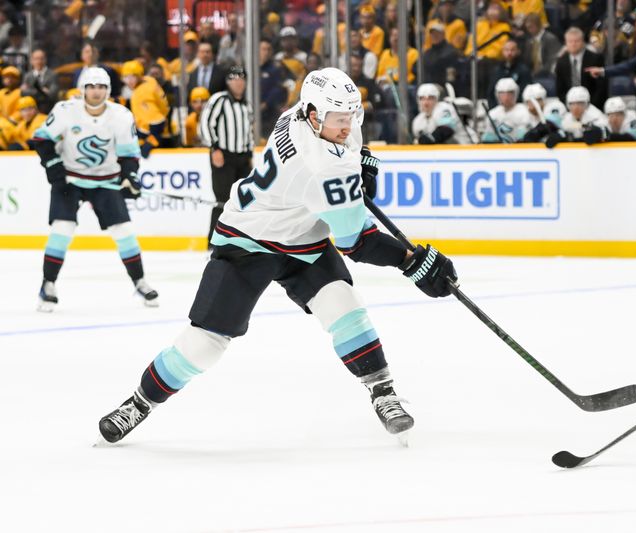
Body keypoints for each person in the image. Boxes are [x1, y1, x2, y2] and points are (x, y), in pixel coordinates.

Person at [97, 67, 457, 445]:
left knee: (344, 306)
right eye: (340, 119)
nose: (348, 126)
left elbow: (348, 151)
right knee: (205, 343)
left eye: (353, 115)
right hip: (247, 240)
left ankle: (382, 391)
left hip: (303, 239)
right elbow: (358, 243)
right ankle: (139, 402)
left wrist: (360, 160)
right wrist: (412, 261)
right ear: (315, 115)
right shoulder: (322, 165)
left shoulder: (306, 115)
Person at [30, 67, 158, 312]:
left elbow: (130, 154)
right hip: (70, 180)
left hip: (105, 181)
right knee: (62, 228)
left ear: (108, 90)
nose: (96, 92)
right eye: (91, 86)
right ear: (83, 89)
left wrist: (130, 175)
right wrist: (53, 164)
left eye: (101, 87)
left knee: (124, 231)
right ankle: (48, 284)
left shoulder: (121, 115)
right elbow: (41, 139)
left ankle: (140, 281)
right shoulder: (66, 111)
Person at [199, 65, 255, 246]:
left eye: (241, 78)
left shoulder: (246, 105)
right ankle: (214, 242)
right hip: (223, 156)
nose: (238, 82)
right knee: (223, 200)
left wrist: (249, 154)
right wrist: (214, 148)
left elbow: (250, 131)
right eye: (233, 78)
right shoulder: (219, 99)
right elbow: (206, 124)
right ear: (227, 81)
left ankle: (241, 240)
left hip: (242, 158)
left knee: (245, 201)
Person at [121, 60, 170, 158]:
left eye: (132, 77)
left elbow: (158, 120)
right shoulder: (149, 80)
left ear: (139, 76)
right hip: (155, 131)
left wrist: (152, 140)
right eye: (126, 77)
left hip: (153, 135)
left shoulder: (142, 93)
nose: (129, 81)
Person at [554, 27, 607, 109]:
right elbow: (560, 90)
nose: (573, 44)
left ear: (582, 42)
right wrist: (570, 107)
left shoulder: (595, 59)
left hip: (592, 106)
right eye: (570, 41)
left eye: (576, 41)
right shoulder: (561, 62)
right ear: (566, 43)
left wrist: (590, 107)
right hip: (569, 107)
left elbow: (601, 88)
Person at [481, 77, 533, 143]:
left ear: (516, 93)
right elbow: (487, 140)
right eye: (502, 93)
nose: (506, 97)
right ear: (497, 94)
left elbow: (523, 139)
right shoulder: (492, 114)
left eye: (510, 93)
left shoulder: (524, 111)